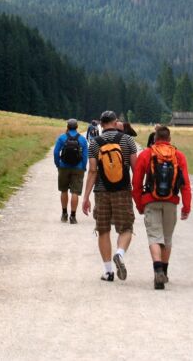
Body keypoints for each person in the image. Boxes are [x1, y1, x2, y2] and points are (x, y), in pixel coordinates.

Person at [131, 125, 191, 289]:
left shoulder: (146, 154)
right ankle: (164, 271)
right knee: (167, 238)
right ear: (169, 139)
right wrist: (186, 206)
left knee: (154, 237)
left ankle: (157, 270)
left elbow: (136, 183)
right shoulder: (178, 155)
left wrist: (139, 204)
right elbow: (185, 184)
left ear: (155, 138)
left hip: (151, 200)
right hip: (171, 201)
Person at [81, 110, 138, 282]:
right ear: (115, 122)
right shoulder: (128, 140)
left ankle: (108, 271)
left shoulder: (94, 143)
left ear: (101, 123)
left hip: (101, 191)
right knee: (126, 228)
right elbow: (136, 168)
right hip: (123, 190)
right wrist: (137, 191)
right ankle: (119, 254)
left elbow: (92, 171)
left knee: (103, 229)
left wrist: (85, 197)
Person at [53, 118, 88, 224]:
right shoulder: (82, 139)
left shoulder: (62, 138)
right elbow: (85, 156)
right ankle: (73, 216)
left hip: (63, 167)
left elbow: (55, 153)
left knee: (64, 190)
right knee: (75, 192)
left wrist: (58, 164)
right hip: (78, 168)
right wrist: (83, 167)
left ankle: (64, 214)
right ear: (77, 127)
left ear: (67, 127)